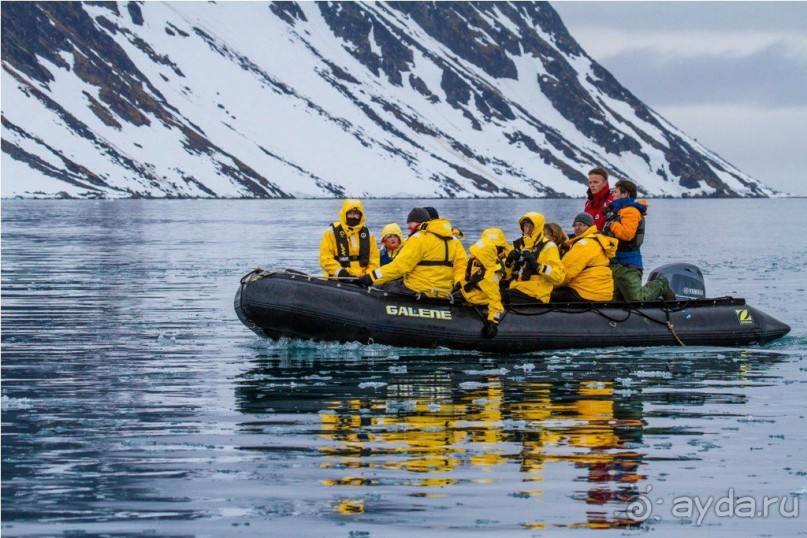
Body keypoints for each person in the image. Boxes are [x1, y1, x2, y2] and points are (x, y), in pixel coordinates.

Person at [357, 207, 467, 297]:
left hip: (417, 288)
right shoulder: (453, 240)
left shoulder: (418, 238)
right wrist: (458, 285)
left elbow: (399, 267)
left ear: (420, 222)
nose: (408, 226)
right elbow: (461, 266)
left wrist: (371, 277)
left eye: (410, 223)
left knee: (380, 286)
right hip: (444, 291)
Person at [603, 180, 673, 301]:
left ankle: (662, 285)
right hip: (614, 264)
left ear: (625, 194)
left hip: (628, 265)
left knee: (637, 299)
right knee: (613, 302)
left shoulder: (630, 211)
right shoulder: (617, 212)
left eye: (615, 191)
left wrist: (612, 225)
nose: (613, 194)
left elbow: (626, 234)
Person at [550, 213, 618, 302]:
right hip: (602, 292)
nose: (577, 228)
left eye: (581, 225)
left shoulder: (584, 244)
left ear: (589, 227)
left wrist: (547, 285)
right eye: (575, 225)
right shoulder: (595, 240)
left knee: (544, 293)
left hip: (587, 292)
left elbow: (565, 273)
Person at [502, 212, 565, 303]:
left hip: (536, 293)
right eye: (525, 226)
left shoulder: (548, 246)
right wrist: (508, 262)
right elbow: (507, 276)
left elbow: (558, 277)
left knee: (500, 296)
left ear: (537, 228)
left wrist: (537, 265)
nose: (527, 230)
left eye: (530, 227)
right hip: (517, 287)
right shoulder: (519, 244)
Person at [459, 228, 509, 338]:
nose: (475, 257)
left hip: (477, 299)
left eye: (478, 255)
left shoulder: (492, 275)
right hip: (468, 294)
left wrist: (493, 323)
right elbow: (466, 279)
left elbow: (495, 301)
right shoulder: (476, 263)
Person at [319, 198, 380, 279]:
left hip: (361, 279)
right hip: (337, 278)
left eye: (356, 213)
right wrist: (341, 273)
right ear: (344, 214)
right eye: (350, 213)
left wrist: (368, 276)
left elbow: (374, 261)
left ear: (360, 215)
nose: (353, 216)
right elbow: (325, 259)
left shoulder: (368, 234)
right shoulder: (331, 232)